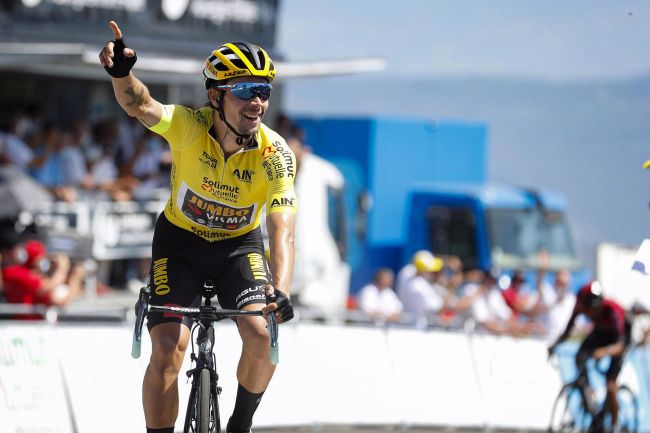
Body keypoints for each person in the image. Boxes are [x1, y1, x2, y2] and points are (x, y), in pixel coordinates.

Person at [99, 21, 297, 433]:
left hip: (238, 249)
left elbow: (283, 230)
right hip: (180, 245)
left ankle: (239, 426)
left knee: (262, 335)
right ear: (216, 96)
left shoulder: (274, 153)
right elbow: (141, 105)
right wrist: (123, 75)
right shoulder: (189, 127)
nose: (257, 102)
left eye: (264, 92)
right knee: (169, 351)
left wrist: (282, 290)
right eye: (245, 90)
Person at [548, 281, 632, 432]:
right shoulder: (580, 305)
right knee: (580, 356)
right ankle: (589, 400)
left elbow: (620, 345)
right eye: (589, 310)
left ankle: (615, 425)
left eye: (595, 309)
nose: (591, 313)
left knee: (611, 385)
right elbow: (568, 330)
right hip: (601, 333)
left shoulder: (612, 310)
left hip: (619, 339)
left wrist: (604, 352)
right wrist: (555, 345)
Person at [1, 239, 85, 316]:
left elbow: (59, 301)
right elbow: (43, 288)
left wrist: (75, 279)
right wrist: (62, 268)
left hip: (40, 326)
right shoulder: (14, 272)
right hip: (23, 325)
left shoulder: (41, 277)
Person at [398, 250, 450, 328]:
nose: (432, 273)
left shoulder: (405, 273)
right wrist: (449, 289)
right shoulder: (419, 286)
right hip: (418, 327)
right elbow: (439, 307)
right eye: (430, 271)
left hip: (406, 323)